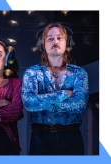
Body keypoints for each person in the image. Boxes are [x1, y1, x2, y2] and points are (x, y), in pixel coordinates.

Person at [21, 22, 89, 155]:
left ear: (67, 42)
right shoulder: (32, 73)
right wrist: (63, 94)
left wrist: (43, 102)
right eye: (50, 38)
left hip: (71, 136)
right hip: (41, 137)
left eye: (59, 37)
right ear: (43, 44)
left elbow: (79, 105)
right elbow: (29, 103)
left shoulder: (79, 73)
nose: (55, 41)